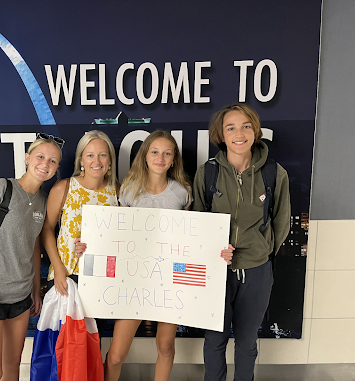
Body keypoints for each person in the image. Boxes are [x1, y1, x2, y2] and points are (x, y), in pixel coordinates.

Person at [104, 130, 230, 381]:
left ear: (173, 160)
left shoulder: (182, 192)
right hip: (135, 281)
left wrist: (216, 252)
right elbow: (117, 237)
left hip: (171, 281)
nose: (160, 158)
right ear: (145, 156)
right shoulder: (128, 191)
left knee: (165, 346)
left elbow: (192, 238)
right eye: (155, 151)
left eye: (167, 153)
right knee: (116, 354)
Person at [193, 104, 291, 381]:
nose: (239, 133)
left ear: (256, 131)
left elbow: (281, 221)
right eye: (231, 127)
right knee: (214, 341)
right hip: (216, 272)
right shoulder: (208, 173)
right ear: (221, 135)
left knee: (247, 344)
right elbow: (199, 222)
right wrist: (214, 251)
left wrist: (261, 250)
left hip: (257, 270)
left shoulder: (274, 173)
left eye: (246, 126)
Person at [0, 134, 63, 381]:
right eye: (41, 157)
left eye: (53, 161)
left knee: (12, 369)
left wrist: (35, 291)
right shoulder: (3, 188)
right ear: (28, 158)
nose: (45, 164)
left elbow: (33, 247)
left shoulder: (43, 201)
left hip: (20, 299)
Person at [42, 130, 119, 296]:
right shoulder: (64, 188)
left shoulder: (118, 192)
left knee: (98, 324)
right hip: (67, 275)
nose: (96, 161)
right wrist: (58, 268)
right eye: (90, 155)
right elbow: (46, 229)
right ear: (81, 160)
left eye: (103, 155)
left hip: (103, 278)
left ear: (110, 160)